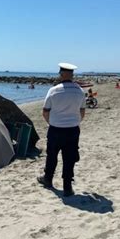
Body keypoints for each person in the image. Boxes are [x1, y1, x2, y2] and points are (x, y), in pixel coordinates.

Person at [37, 63, 86, 197]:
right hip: (72, 129)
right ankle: (67, 186)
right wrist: (75, 122)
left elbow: (45, 111)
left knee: (52, 155)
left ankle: (48, 179)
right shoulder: (79, 91)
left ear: (61, 74)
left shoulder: (54, 90)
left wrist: (51, 122)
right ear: (72, 75)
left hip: (56, 129)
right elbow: (82, 111)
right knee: (69, 158)